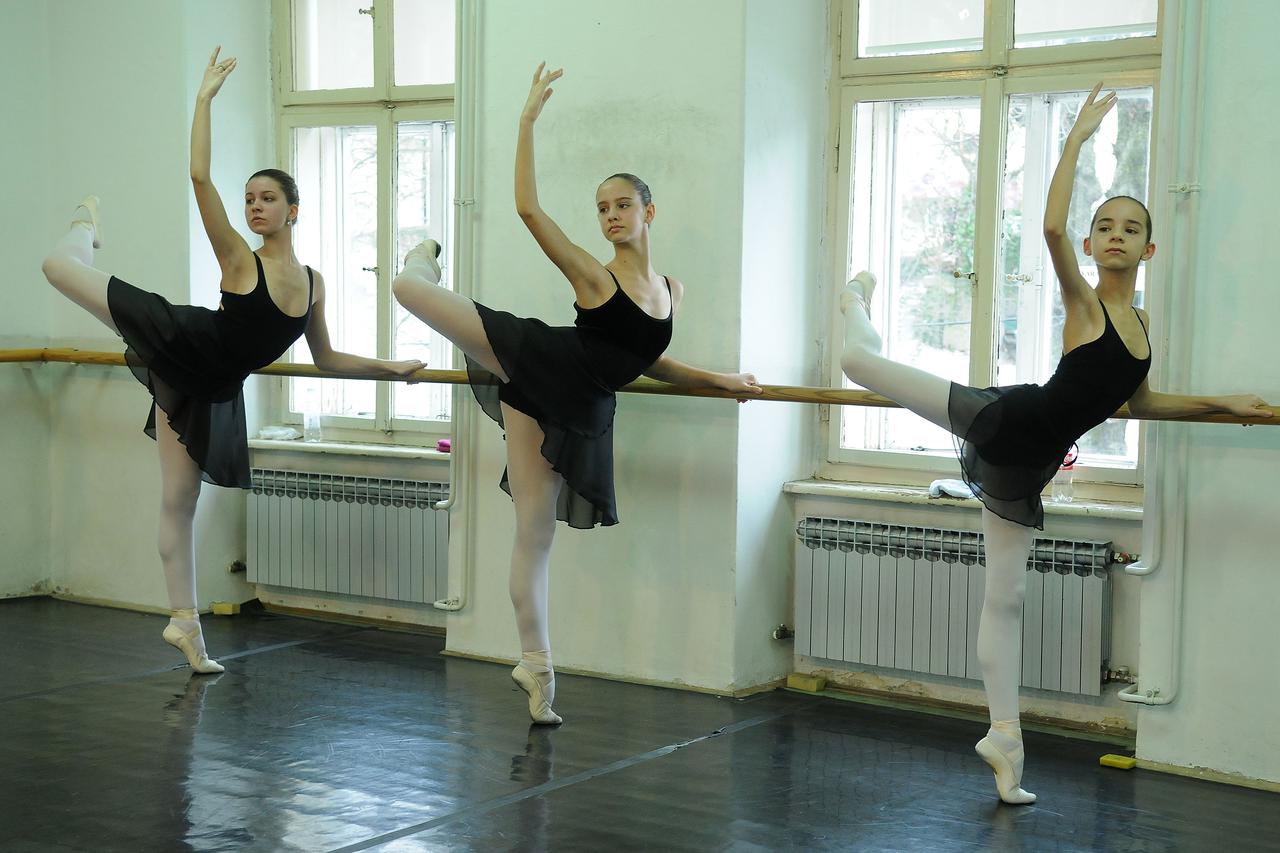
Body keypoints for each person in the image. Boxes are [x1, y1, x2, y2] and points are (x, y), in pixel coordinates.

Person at [837, 82, 1270, 803]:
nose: (1114, 234)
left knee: (1004, 597)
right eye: (1106, 224)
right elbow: (1049, 232)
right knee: (857, 363)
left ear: (1149, 247)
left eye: (1130, 227)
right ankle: (856, 299)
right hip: (1004, 423)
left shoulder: (1142, 330)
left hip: (1030, 462)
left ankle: (1004, 739)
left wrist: (1226, 401)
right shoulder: (1086, 302)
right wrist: (1075, 139)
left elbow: (1141, 404)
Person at [392, 64, 763, 724]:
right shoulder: (595, 276)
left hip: (575, 404)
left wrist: (720, 380)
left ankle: (536, 666)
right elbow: (529, 210)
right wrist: (528, 120)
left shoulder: (671, 291)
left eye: (622, 205)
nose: (611, 216)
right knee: (409, 290)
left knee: (534, 534)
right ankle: (424, 252)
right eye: (602, 208)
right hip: (539, 359)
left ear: (650, 211)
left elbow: (646, 360)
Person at [39, 47, 422, 674]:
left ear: (292, 209)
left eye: (267, 198)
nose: (254, 207)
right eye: (249, 199)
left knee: (179, 503)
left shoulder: (316, 282)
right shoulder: (241, 262)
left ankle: (185, 626)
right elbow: (199, 178)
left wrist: (391, 368)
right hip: (178, 341)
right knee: (59, 267)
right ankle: (86, 222)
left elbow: (325, 359)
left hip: (211, 387)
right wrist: (204, 99)